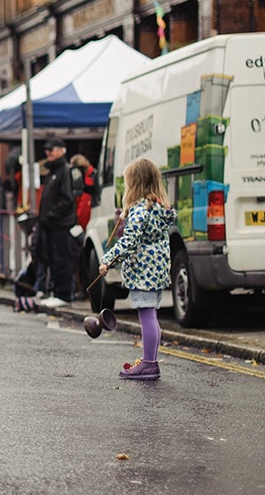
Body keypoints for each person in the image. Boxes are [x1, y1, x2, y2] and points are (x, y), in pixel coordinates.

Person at [97, 158, 176, 380]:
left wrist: (108, 261)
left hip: (144, 272)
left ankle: (149, 364)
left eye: (129, 183)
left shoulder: (140, 211)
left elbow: (128, 242)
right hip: (157, 270)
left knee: (147, 317)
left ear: (136, 184)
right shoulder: (158, 207)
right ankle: (149, 358)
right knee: (152, 316)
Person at [36, 138, 78, 305]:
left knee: (62, 259)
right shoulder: (53, 172)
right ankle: (56, 292)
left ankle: (64, 294)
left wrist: (51, 214)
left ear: (61, 150)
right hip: (51, 226)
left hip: (60, 225)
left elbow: (67, 199)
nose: (48, 153)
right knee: (53, 259)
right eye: (46, 150)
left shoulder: (64, 171)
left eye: (51, 149)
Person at [70, 153, 99, 230]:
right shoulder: (95, 175)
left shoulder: (86, 181)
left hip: (86, 221)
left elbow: (83, 207)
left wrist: (77, 221)